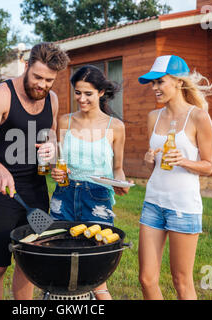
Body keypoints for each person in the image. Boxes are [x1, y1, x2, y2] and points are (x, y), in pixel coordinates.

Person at [0, 42, 69, 300]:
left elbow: (52, 135)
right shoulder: (2, 95)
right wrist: (0, 170)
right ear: (25, 67)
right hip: (2, 193)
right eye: (37, 77)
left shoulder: (53, 99)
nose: (42, 85)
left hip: (36, 192)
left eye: (49, 80)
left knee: (30, 262)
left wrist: (51, 147)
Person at [49, 65, 132, 300]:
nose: (81, 99)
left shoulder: (114, 127)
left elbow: (118, 168)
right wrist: (57, 172)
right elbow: (60, 162)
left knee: (96, 268)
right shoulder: (64, 121)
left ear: (101, 92)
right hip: (64, 194)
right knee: (61, 260)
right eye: (77, 92)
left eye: (88, 93)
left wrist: (122, 183)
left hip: (98, 197)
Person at [137, 55, 212, 300]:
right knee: (147, 278)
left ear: (179, 83)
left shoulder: (199, 117)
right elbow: (155, 167)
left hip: (183, 207)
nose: (155, 88)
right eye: (152, 83)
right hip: (153, 203)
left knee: (181, 281)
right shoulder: (154, 117)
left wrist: (184, 161)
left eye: (160, 82)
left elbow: (209, 166)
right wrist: (148, 160)